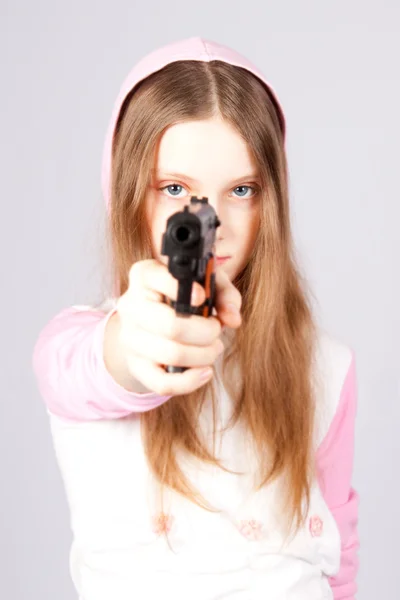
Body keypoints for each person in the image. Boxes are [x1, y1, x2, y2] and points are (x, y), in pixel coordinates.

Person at [32, 37, 359, 600]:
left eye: (242, 189)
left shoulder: (326, 364)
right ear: (129, 192)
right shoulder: (76, 346)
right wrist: (139, 349)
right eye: (177, 188)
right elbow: (104, 365)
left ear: (271, 199)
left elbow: (340, 553)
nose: (213, 220)